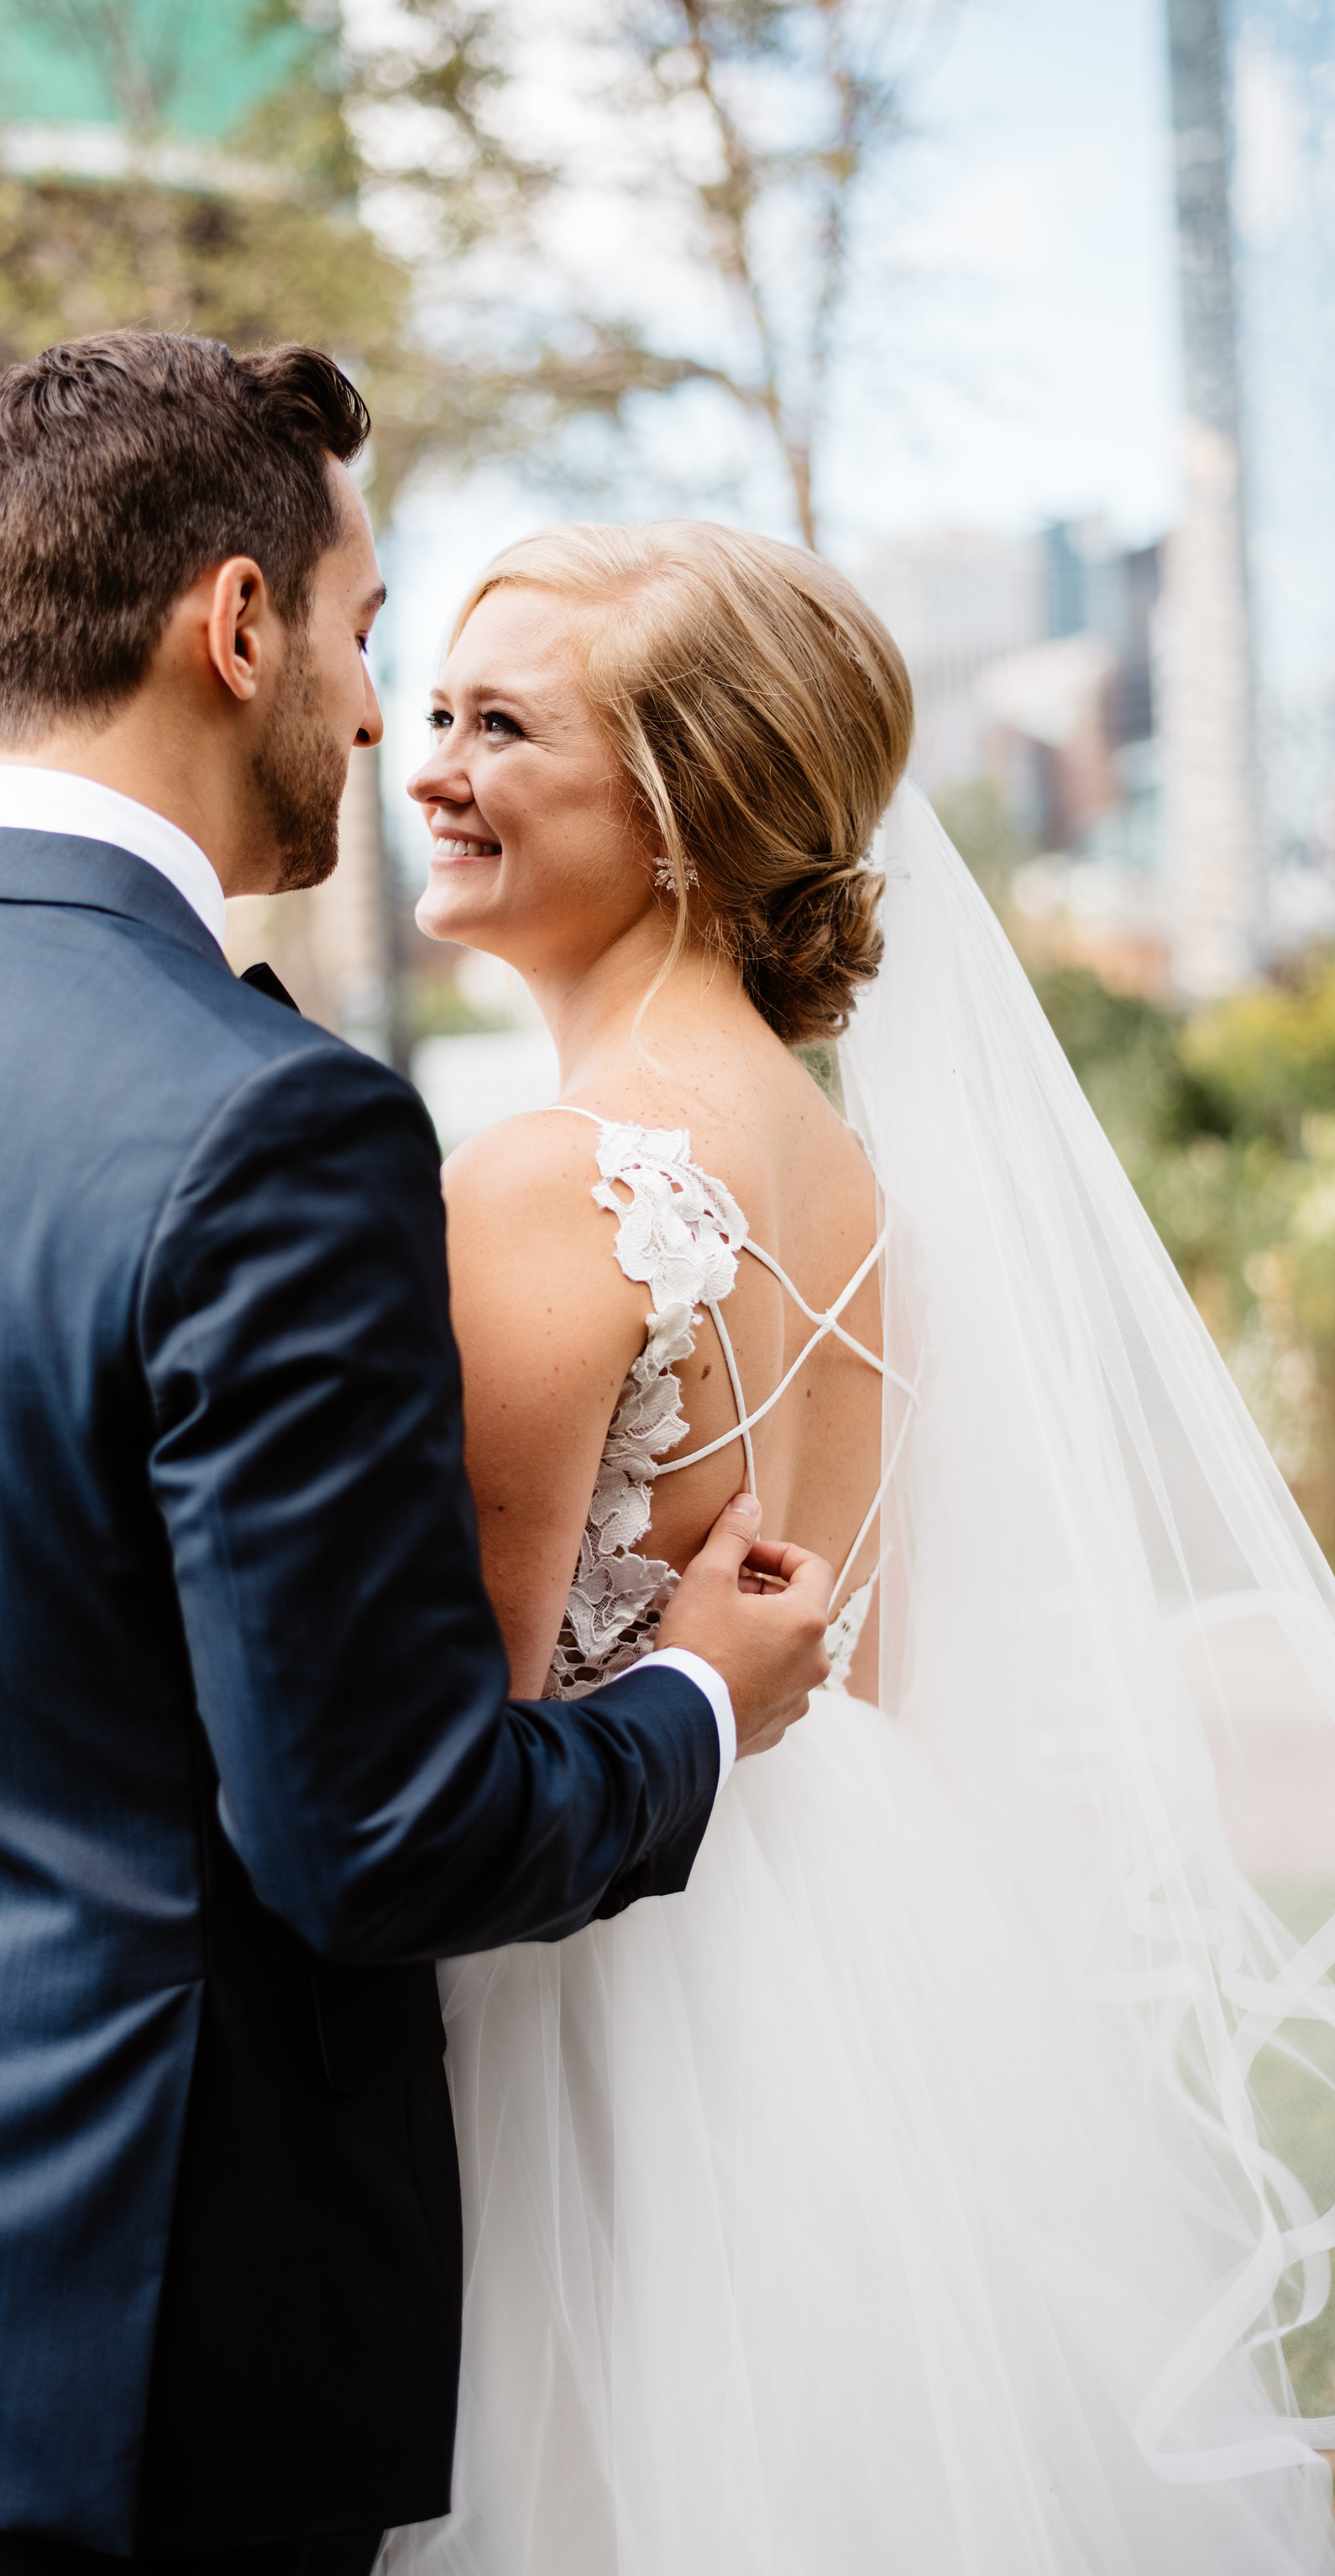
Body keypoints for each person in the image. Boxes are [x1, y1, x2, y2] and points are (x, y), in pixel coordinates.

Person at [0, 343, 836, 2576]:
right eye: (373, 636)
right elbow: (379, 1838)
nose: (386, 721)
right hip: (156, 2342)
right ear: (242, 622)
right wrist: (695, 1702)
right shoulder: (269, 1124)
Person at [380, 519, 1335, 2573]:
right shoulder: (855, 1183)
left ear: (682, 808)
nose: (426, 766)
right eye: (434, 712)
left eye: (499, 724)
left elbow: (448, 1740)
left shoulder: (552, 1185)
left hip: (601, 1974)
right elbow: (856, 1670)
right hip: (853, 1949)